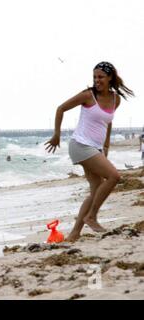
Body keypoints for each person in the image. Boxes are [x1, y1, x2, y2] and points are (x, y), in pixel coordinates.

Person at [45, 61, 134, 242]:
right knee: (114, 176)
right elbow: (60, 109)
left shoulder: (115, 99)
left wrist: (106, 146)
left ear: (110, 78)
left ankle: (74, 234)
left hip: (95, 147)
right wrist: (56, 135)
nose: (97, 80)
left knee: (95, 191)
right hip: (80, 145)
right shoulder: (88, 95)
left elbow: (107, 122)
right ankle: (92, 217)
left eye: (100, 77)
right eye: (94, 77)